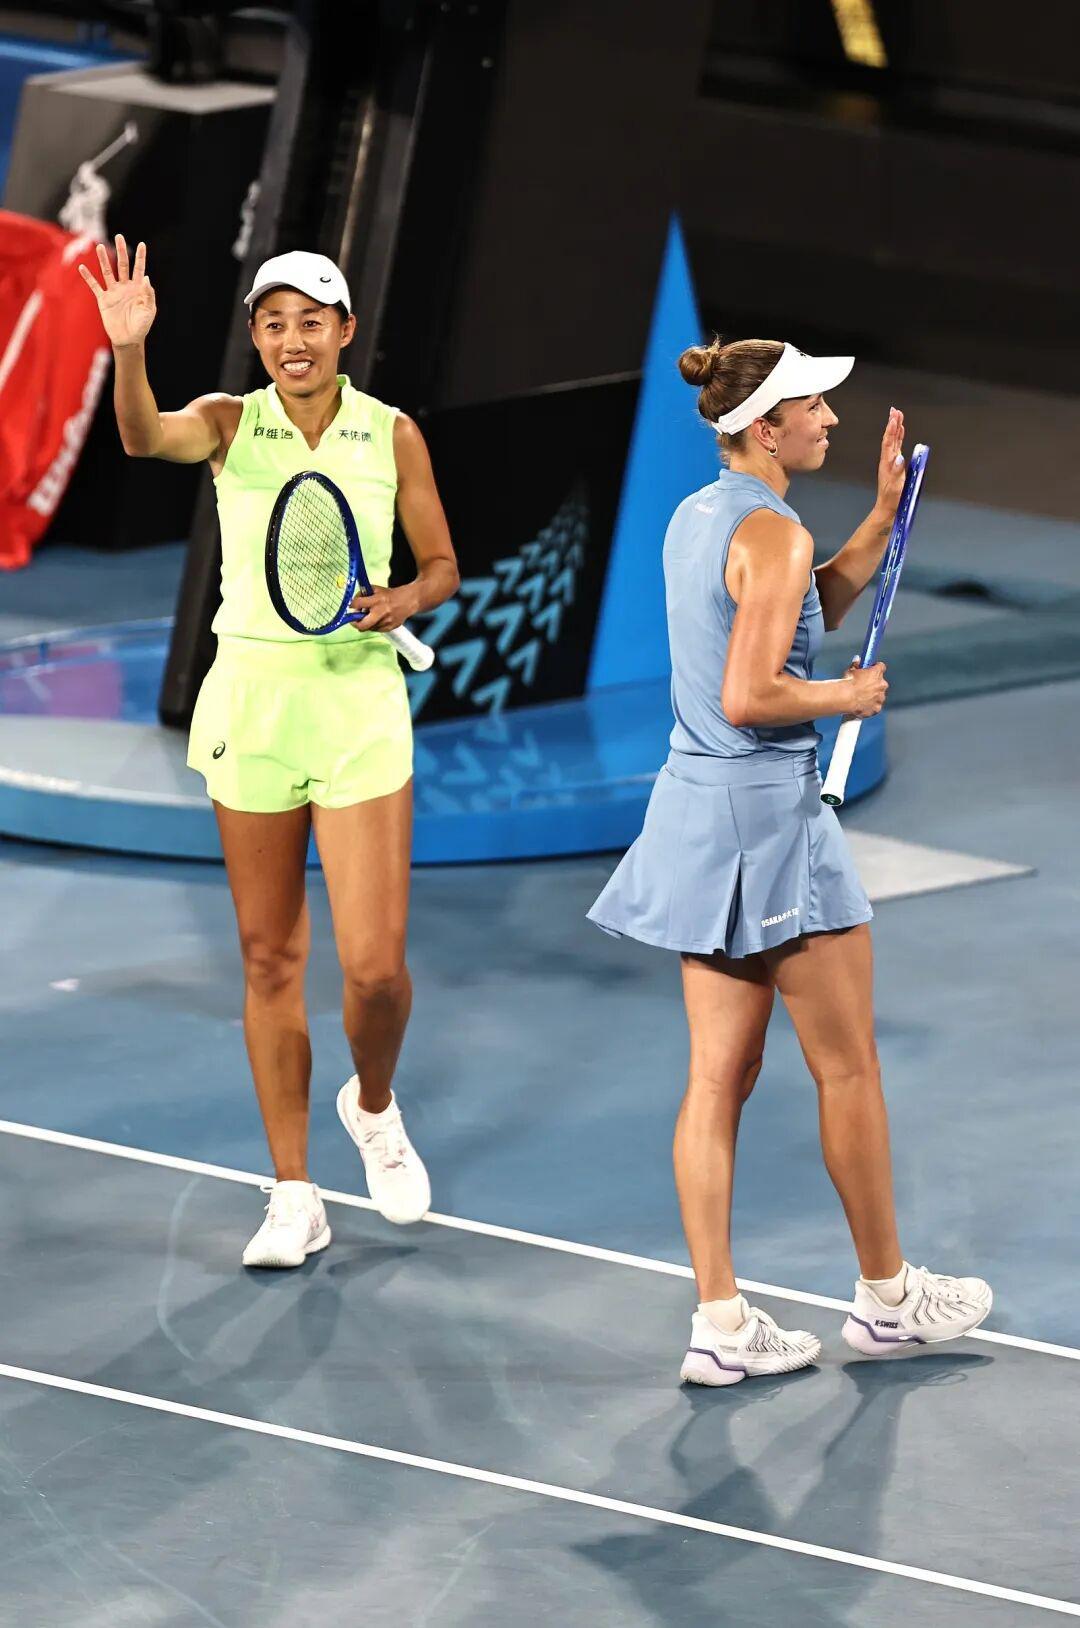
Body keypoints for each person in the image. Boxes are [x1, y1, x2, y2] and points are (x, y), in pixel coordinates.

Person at [587, 337, 992, 1385]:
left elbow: (796, 608)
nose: (831, 420)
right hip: (769, 822)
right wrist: (841, 697)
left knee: (716, 1078)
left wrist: (879, 520)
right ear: (766, 425)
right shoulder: (771, 531)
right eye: (814, 405)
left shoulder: (704, 516)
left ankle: (720, 1320)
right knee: (847, 1067)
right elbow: (752, 692)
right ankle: (889, 1300)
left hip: (698, 814)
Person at [80, 237, 459, 1268]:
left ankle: (371, 1104)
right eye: (274, 323)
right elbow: (141, 435)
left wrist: (407, 597)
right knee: (269, 956)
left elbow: (441, 563)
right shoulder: (227, 422)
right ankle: (295, 1192)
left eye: (312, 322)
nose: (294, 340)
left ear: (344, 332)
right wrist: (129, 349)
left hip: (357, 705)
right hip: (251, 706)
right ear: (256, 336)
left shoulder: (393, 433)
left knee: (375, 971)